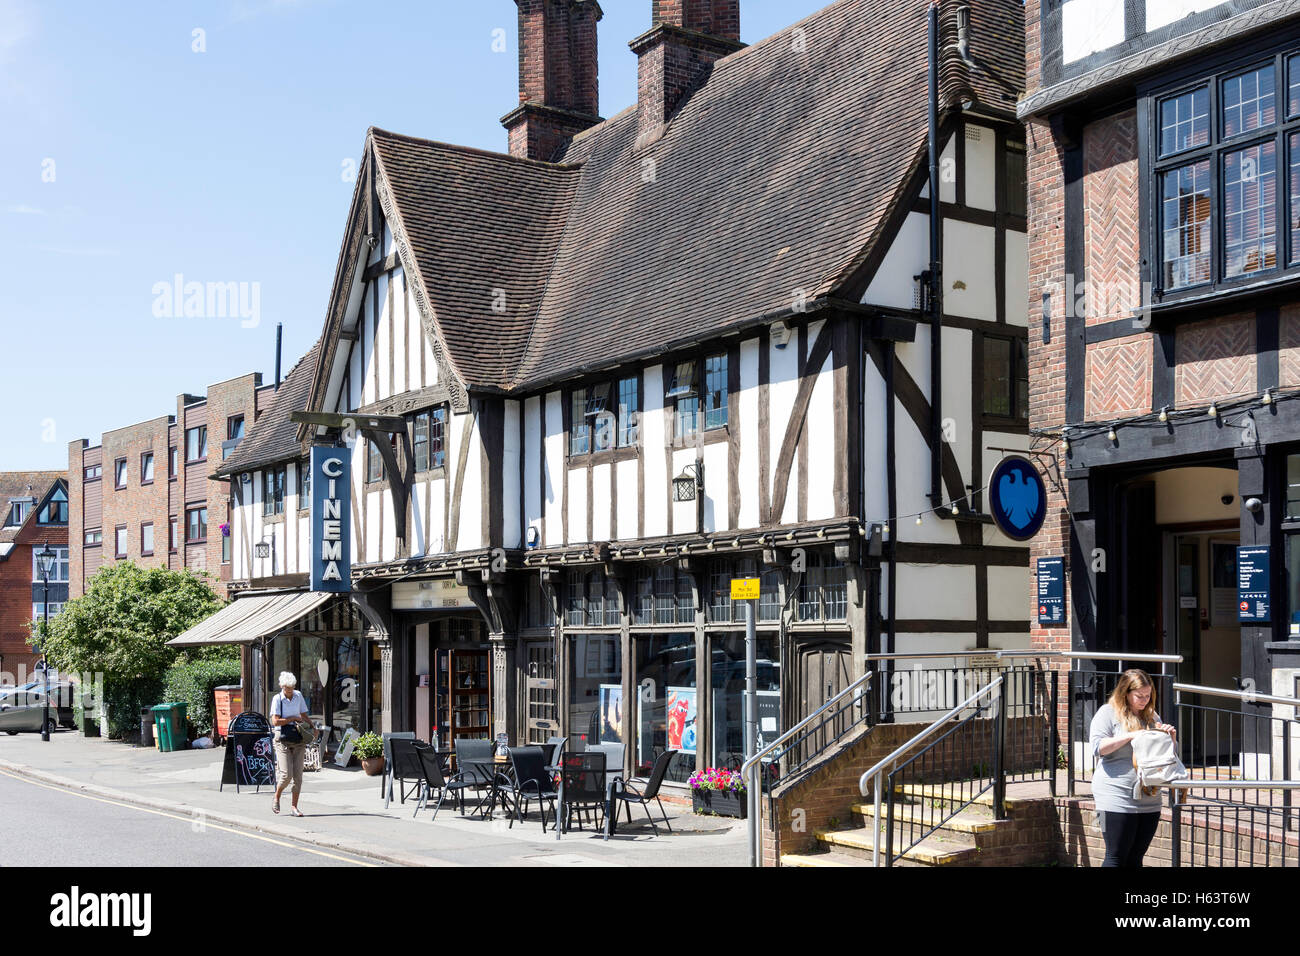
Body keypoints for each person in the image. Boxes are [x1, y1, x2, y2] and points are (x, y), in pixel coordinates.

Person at [1088, 668, 1177, 867]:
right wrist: (1130, 735)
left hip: (1149, 795)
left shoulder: (1152, 716)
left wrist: (1170, 738)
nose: (1144, 700)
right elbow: (1097, 747)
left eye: (1148, 695)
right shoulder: (1108, 713)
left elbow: (1164, 756)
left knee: (1136, 858)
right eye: (1139, 696)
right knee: (1116, 856)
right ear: (1125, 693)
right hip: (1114, 795)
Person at [270, 671, 311, 817]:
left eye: (291, 687)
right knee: (286, 775)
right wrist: (292, 718)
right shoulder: (277, 699)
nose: (289, 690)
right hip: (282, 739)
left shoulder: (298, 695)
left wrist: (312, 726)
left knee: (298, 776)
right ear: (282, 686)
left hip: (298, 737)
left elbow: (304, 714)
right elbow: (275, 721)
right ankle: (277, 796)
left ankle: (294, 807)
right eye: (287, 688)